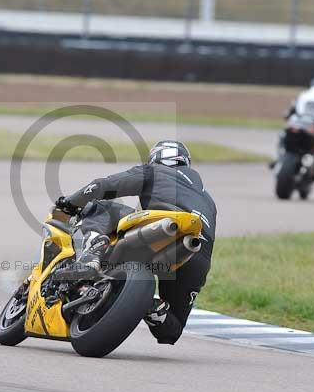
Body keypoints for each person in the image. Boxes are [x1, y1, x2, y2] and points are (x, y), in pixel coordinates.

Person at [55, 140, 218, 345]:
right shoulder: (207, 199)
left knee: (102, 207)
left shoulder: (153, 171)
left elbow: (101, 186)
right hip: (198, 251)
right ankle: (152, 307)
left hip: (163, 223)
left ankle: (92, 254)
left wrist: (69, 202)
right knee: (171, 330)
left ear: (155, 158)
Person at [271, 76, 314, 175]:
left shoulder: (302, 95)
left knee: (282, 136)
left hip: (297, 124)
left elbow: (288, 114)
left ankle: (278, 158)